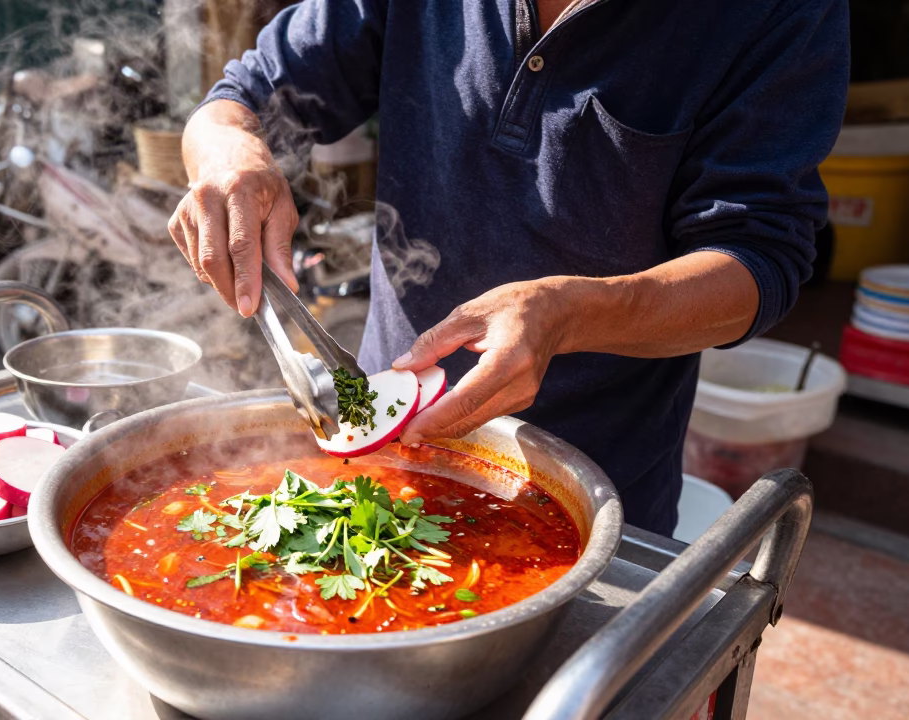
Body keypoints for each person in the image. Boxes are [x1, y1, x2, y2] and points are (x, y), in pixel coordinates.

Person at [168, 0, 849, 535]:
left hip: (592, 495)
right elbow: (242, 97)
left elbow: (759, 262)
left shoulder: (778, 11)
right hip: (375, 446)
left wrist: (565, 314)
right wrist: (228, 151)